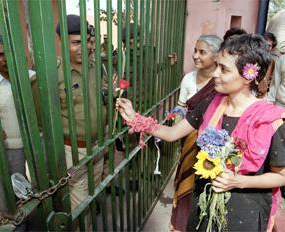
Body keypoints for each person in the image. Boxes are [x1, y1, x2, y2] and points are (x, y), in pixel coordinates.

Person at [117, 34, 285, 231]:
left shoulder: (270, 120)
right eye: (217, 66)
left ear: (248, 75)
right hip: (203, 203)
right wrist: (134, 118)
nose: (215, 74)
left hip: (243, 213)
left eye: (224, 69)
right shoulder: (211, 104)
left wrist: (238, 181)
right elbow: (172, 134)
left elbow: (281, 176)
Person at [53, 14, 107, 216]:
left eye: (86, 41)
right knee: (80, 208)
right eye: (76, 43)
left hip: (100, 145)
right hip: (74, 152)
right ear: (60, 42)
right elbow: (44, 120)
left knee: (94, 195)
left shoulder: (97, 67)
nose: (83, 48)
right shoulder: (54, 74)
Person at [170, 34, 222, 232]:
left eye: (202, 52)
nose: (196, 56)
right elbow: (180, 108)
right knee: (185, 181)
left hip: (212, 144)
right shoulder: (188, 79)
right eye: (195, 51)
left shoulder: (221, 81)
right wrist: (178, 136)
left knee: (204, 184)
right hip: (188, 139)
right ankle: (180, 224)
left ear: (216, 56)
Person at [0, 34, 36, 212]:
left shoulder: (32, 78)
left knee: (40, 188)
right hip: (10, 148)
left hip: (36, 144)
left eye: (7, 53)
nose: (5, 59)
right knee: (15, 191)